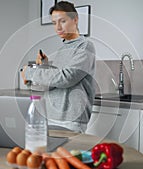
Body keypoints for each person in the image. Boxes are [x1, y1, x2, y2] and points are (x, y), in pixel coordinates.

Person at [21, 1, 95, 133]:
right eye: (54, 23)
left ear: (75, 19)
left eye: (62, 21)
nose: (58, 27)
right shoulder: (63, 49)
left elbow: (66, 78)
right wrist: (44, 66)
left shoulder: (85, 46)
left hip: (72, 118)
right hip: (52, 115)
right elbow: (52, 83)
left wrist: (30, 73)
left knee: (68, 154)